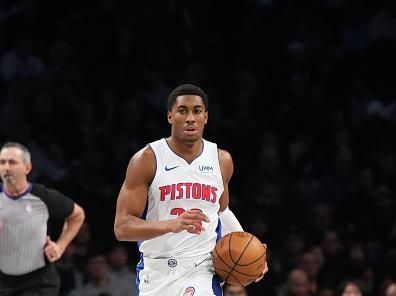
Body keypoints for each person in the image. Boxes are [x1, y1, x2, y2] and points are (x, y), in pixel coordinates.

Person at [114, 84, 268, 296]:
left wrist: (252, 251)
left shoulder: (221, 160)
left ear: (205, 117)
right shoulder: (147, 159)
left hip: (202, 269)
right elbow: (122, 228)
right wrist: (172, 224)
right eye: (182, 111)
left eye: (197, 111)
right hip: (156, 271)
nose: (190, 118)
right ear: (170, 116)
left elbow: (222, 211)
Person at [0, 142, 85, 295]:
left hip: (37, 283)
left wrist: (60, 246)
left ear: (27, 167)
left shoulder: (42, 196)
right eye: (2, 162)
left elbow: (77, 215)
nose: (6, 167)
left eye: (12, 162)